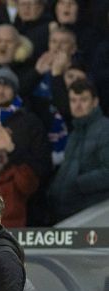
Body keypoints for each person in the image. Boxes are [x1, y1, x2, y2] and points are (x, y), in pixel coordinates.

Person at [47, 78, 109, 222]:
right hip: (68, 212)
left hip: (92, 215)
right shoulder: (75, 132)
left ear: (95, 102)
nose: (77, 105)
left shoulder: (105, 129)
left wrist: (78, 184)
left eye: (83, 100)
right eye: (73, 100)